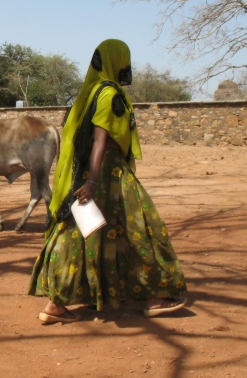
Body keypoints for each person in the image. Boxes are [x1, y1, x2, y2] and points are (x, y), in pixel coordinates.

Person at [28, 39, 188, 323]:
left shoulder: (89, 93)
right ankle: (153, 296)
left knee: (82, 233)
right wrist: (93, 181)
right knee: (142, 226)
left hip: (95, 172)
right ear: (117, 61)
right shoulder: (108, 94)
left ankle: (56, 305)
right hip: (107, 173)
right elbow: (101, 139)